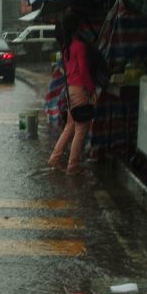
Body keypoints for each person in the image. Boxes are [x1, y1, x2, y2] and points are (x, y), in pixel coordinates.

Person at [47, 12, 95, 174]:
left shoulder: (66, 47)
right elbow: (83, 71)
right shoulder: (79, 46)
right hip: (79, 89)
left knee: (70, 126)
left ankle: (55, 158)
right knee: (81, 130)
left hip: (69, 90)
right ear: (77, 27)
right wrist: (91, 89)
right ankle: (72, 166)